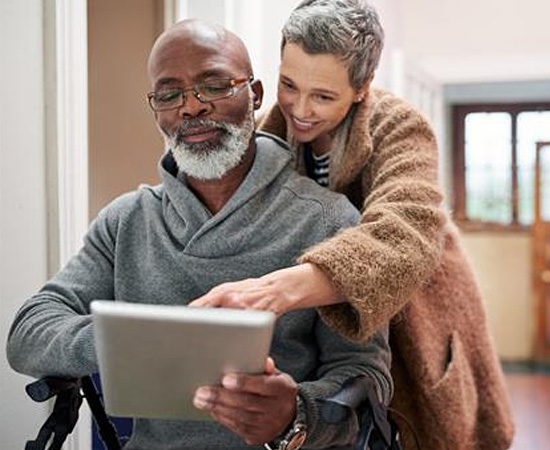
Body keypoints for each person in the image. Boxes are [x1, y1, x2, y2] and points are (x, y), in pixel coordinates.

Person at [6, 20, 393, 450]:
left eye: (214, 86)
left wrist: (296, 415)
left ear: (256, 95)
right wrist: (133, 343)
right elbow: (29, 331)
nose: (191, 107)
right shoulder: (127, 220)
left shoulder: (328, 220)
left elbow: (366, 377)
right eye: (170, 94)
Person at [190, 1, 515, 449]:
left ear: (362, 87)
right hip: (337, 347)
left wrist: (278, 290)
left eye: (323, 96)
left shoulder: (400, 127)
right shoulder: (268, 136)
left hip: (418, 321)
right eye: (289, 84)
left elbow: (407, 233)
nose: (300, 109)